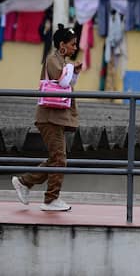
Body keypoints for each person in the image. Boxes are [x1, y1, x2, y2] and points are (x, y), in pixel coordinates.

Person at [11, 24, 83, 212]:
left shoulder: (60, 60)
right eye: (73, 44)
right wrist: (71, 69)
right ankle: (50, 199)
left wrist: (73, 71)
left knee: (56, 158)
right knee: (59, 159)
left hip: (55, 117)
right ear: (62, 44)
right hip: (49, 118)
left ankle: (25, 182)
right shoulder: (53, 60)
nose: (75, 48)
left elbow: (67, 83)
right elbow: (62, 81)